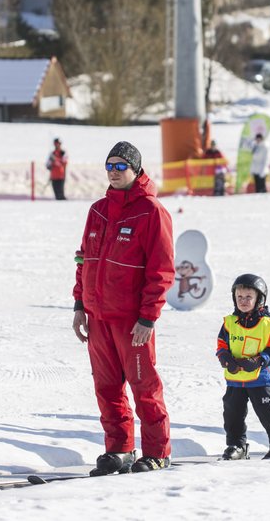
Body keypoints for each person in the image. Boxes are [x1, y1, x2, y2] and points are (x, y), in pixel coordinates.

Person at [72, 141, 175, 475]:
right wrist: (78, 305)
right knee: (107, 388)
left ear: (136, 169)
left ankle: (158, 451)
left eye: (121, 166)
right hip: (97, 317)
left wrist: (148, 317)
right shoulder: (97, 210)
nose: (114, 172)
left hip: (132, 321)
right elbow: (83, 259)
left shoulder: (152, 211)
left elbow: (161, 271)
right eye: (110, 166)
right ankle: (120, 449)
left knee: (144, 386)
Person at [216, 274, 270, 460]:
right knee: (232, 415)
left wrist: (259, 360)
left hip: (259, 379)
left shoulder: (269, 325)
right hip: (235, 379)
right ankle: (237, 445)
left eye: (248, 297)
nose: (243, 301)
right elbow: (221, 344)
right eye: (239, 297)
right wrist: (225, 357)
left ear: (259, 299)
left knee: (268, 414)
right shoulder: (229, 322)